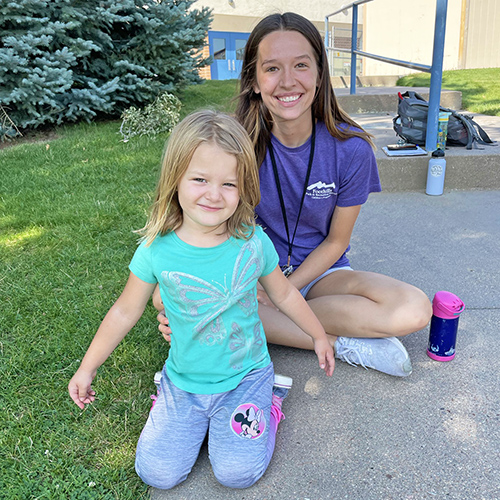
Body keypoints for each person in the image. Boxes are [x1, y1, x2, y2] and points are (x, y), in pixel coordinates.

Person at [68, 109, 334, 490]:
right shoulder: (156, 249)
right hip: (184, 382)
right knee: (156, 473)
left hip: (246, 376)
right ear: (174, 179)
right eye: (199, 179)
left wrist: (318, 336)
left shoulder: (253, 242)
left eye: (229, 183)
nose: (213, 194)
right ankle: (178, 406)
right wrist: (87, 367)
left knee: (237, 473)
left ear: (244, 187)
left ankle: (269, 405)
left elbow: (285, 293)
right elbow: (125, 310)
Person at [156, 12, 432, 378]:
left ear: (319, 75)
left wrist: (281, 291)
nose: (288, 82)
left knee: (413, 309)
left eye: (301, 65)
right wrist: (240, 288)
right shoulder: (233, 145)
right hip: (247, 274)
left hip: (321, 274)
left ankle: (235, 325)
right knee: (164, 297)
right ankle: (345, 344)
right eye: (271, 68)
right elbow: (200, 226)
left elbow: (336, 242)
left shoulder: (351, 148)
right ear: (254, 80)